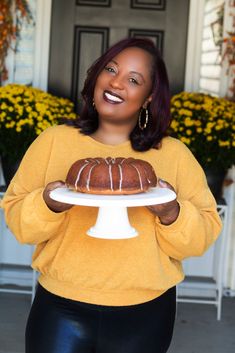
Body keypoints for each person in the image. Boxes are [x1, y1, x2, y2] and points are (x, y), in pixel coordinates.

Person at [1, 37, 222, 353]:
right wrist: (48, 204)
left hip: (146, 311)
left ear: (147, 98)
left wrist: (172, 212)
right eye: (110, 69)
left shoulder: (173, 155)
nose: (116, 83)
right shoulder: (54, 142)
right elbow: (18, 221)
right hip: (61, 306)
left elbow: (203, 235)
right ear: (96, 75)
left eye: (133, 80)